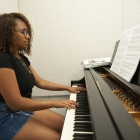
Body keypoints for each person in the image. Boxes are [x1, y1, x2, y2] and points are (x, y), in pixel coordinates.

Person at [0, 13, 86, 140]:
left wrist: (68, 88)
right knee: (57, 138)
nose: (28, 36)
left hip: (23, 108)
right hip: (5, 114)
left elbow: (40, 82)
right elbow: (15, 103)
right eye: (23, 32)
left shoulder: (21, 58)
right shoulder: (2, 58)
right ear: (8, 33)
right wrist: (55, 103)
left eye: (28, 32)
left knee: (67, 126)